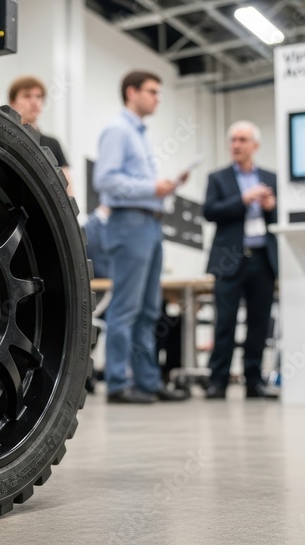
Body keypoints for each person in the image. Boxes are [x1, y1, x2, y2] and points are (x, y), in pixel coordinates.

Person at [93, 70, 189, 404]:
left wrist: (163, 189)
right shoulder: (118, 131)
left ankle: (148, 381)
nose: (157, 98)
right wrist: (152, 187)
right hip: (129, 223)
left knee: (149, 309)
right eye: (152, 91)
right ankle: (117, 383)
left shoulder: (139, 134)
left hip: (149, 224)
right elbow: (105, 180)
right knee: (126, 306)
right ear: (131, 92)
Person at [202, 121, 279, 400]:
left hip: (262, 259)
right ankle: (218, 381)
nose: (236, 144)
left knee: (259, 322)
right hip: (229, 260)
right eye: (233, 139)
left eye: (242, 140)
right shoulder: (218, 178)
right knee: (225, 322)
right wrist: (243, 199)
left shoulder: (271, 178)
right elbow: (209, 211)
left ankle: (254, 381)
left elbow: (280, 217)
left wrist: (271, 207)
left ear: (255, 145)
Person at [8, 76, 72, 194]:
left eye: (38, 97)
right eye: (27, 96)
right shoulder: (3, 140)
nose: (34, 102)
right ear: (12, 102)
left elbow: (67, 191)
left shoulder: (53, 144)